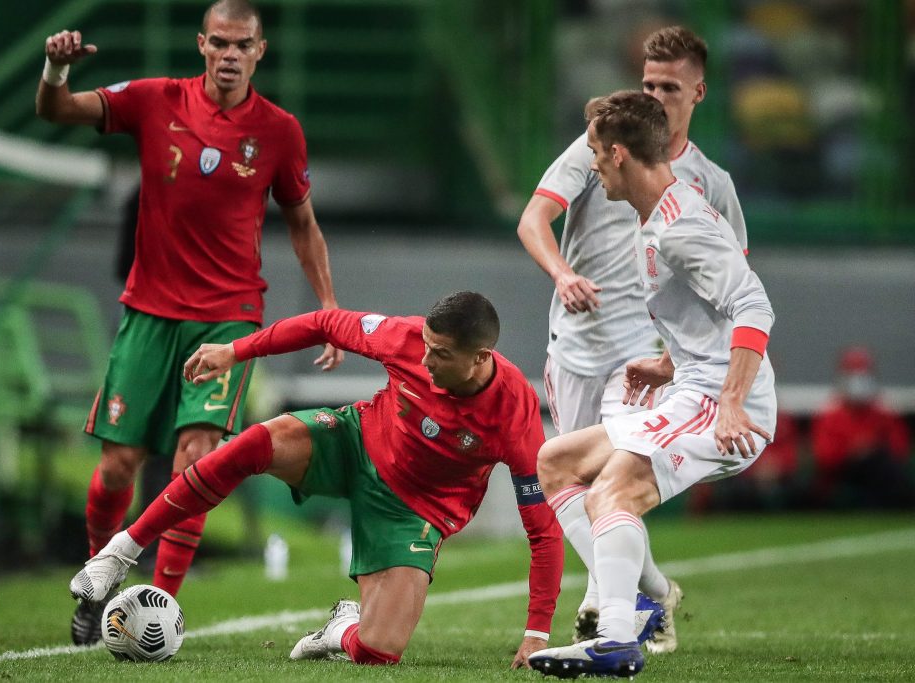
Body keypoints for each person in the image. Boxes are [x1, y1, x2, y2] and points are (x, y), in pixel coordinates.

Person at [35, 0, 343, 645]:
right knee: (119, 465)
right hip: (148, 311)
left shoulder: (279, 131)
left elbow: (302, 223)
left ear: (261, 52)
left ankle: (159, 604)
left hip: (228, 319)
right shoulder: (154, 100)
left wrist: (327, 308)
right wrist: (54, 72)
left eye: (243, 45)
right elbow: (57, 111)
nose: (230, 55)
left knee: (196, 457)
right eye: (220, 43)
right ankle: (101, 579)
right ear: (201, 44)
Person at [68, 292, 565, 668]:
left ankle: (342, 627)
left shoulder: (515, 416)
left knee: (380, 650)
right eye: (427, 347)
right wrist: (236, 351)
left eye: (441, 355)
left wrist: (537, 633)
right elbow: (324, 322)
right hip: (354, 443)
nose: (426, 359)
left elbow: (543, 530)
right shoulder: (407, 339)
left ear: (481, 358)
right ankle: (120, 552)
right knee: (253, 444)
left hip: (415, 511)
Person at [527, 91, 776, 679]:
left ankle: (616, 635)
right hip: (693, 381)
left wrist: (732, 403)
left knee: (613, 491)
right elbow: (706, 313)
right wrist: (666, 365)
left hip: (720, 398)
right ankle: (646, 602)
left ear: (617, 155)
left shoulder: (679, 226)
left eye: (594, 153)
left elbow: (753, 306)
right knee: (556, 461)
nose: (590, 165)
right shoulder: (658, 216)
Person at [810, 346, 912, 509]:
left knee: (883, 466)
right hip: (844, 472)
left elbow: (900, 449)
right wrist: (853, 451)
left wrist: (872, 449)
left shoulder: (883, 412)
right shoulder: (830, 413)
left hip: (878, 471)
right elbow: (825, 457)